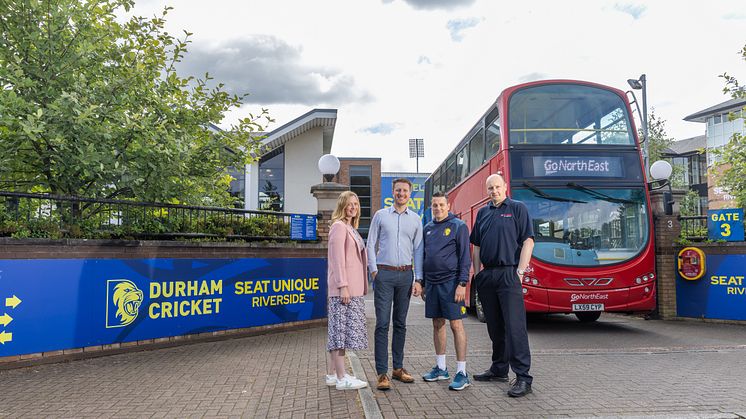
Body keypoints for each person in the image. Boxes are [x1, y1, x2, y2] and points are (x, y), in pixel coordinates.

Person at [470, 173, 535, 398]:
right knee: (495, 327)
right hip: (488, 276)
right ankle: (499, 369)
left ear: (505, 186)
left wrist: (520, 271)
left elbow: (528, 240)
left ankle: (524, 377)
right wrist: (478, 274)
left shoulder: (517, 208)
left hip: (509, 274)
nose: (494, 191)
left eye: (497, 187)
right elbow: (476, 246)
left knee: (515, 328)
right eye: (490, 188)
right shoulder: (482, 213)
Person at [367, 178, 424, 391]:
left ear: (410, 194)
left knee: (400, 323)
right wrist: (374, 271)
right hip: (384, 274)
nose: (401, 194)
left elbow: (418, 250)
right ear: (393, 192)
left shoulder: (416, 219)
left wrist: (418, 279)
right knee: (382, 324)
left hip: (405, 276)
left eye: (405, 191)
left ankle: (398, 369)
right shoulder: (380, 216)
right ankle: (382, 373)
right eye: (398, 190)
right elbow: (370, 243)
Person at [416, 192, 472, 391]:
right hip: (432, 284)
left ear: (448, 206)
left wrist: (462, 284)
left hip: (452, 284)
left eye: (441, 205)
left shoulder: (459, 226)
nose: (437, 208)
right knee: (437, 323)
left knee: (456, 325)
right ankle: (441, 368)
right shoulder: (428, 229)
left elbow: (466, 257)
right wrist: (421, 282)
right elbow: (423, 256)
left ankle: (462, 373)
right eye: (434, 205)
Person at [325, 191, 369, 390]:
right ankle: (342, 378)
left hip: (351, 289)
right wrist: (343, 286)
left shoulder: (350, 228)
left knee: (339, 332)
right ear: (342, 205)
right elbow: (337, 259)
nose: (353, 207)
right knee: (340, 334)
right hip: (344, 290)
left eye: (356, 204)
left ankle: (333, 375)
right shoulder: (339, 227)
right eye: (349, 204)